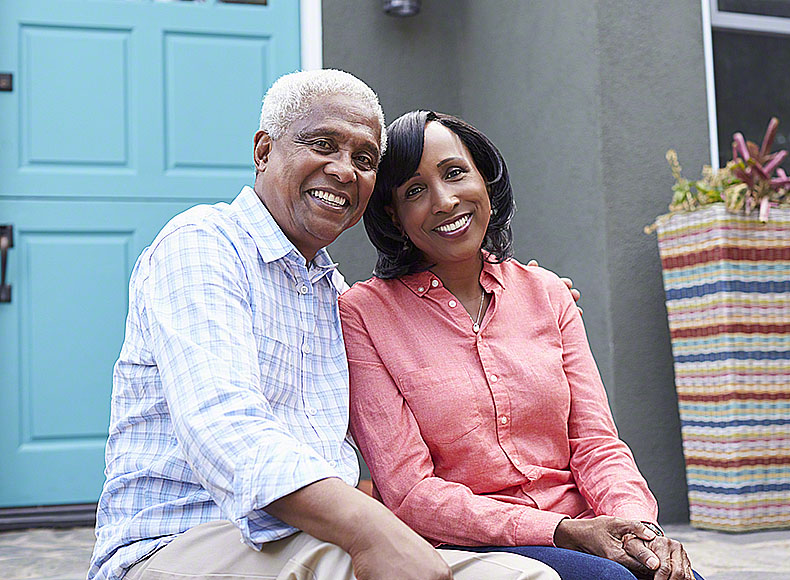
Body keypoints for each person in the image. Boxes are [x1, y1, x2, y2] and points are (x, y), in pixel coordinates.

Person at [89, 70, 563, 580]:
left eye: (364, 160)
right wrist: (372, 530)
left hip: (307, 539)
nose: (344, 171)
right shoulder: (203, 245)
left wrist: (519, 307)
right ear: (264, 151)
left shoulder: (334, 295)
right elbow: (225, 426)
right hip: (178, 541)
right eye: (323, 145)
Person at [340, 111, 702, 580]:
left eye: (455, 173)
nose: (444, 200)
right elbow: (410, 493)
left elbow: (596, 444)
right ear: (393, 214)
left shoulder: (547, 293)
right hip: (469, 544)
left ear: (485, 180)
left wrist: (637, 528)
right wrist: (562, 531)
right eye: (414, 191)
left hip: (584, 527)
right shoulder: (364, 315)